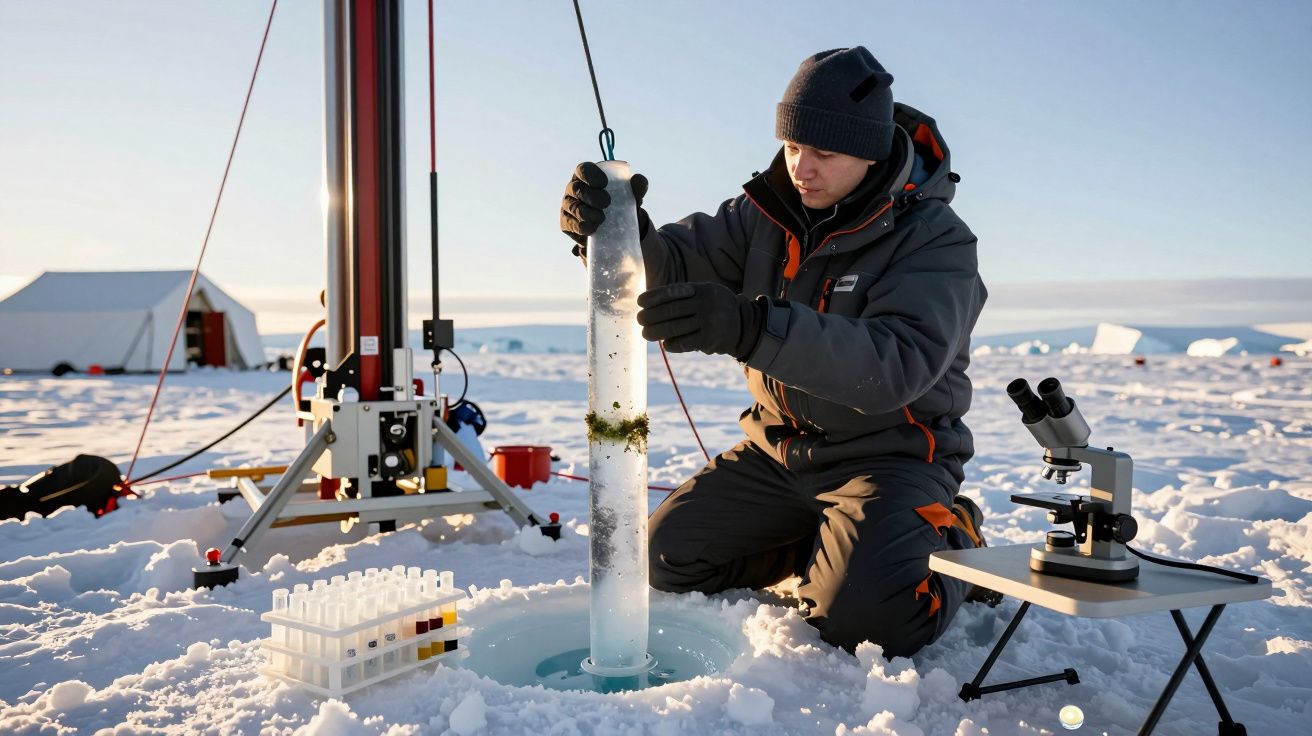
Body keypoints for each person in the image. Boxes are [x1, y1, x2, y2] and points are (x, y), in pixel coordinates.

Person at [560, 47, 993, 657]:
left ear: (869, 152)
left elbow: (895, 366)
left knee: (869, 623)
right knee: (663, 559)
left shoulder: (935, 240)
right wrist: (614, 233)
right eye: (792, 147)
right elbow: (672, 267)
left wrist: (749, 327)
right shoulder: (762, 215)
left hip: (889, 458)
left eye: (823, 153)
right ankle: (830, 544)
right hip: (778, 452)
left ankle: (957, 537)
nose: (801, 168)